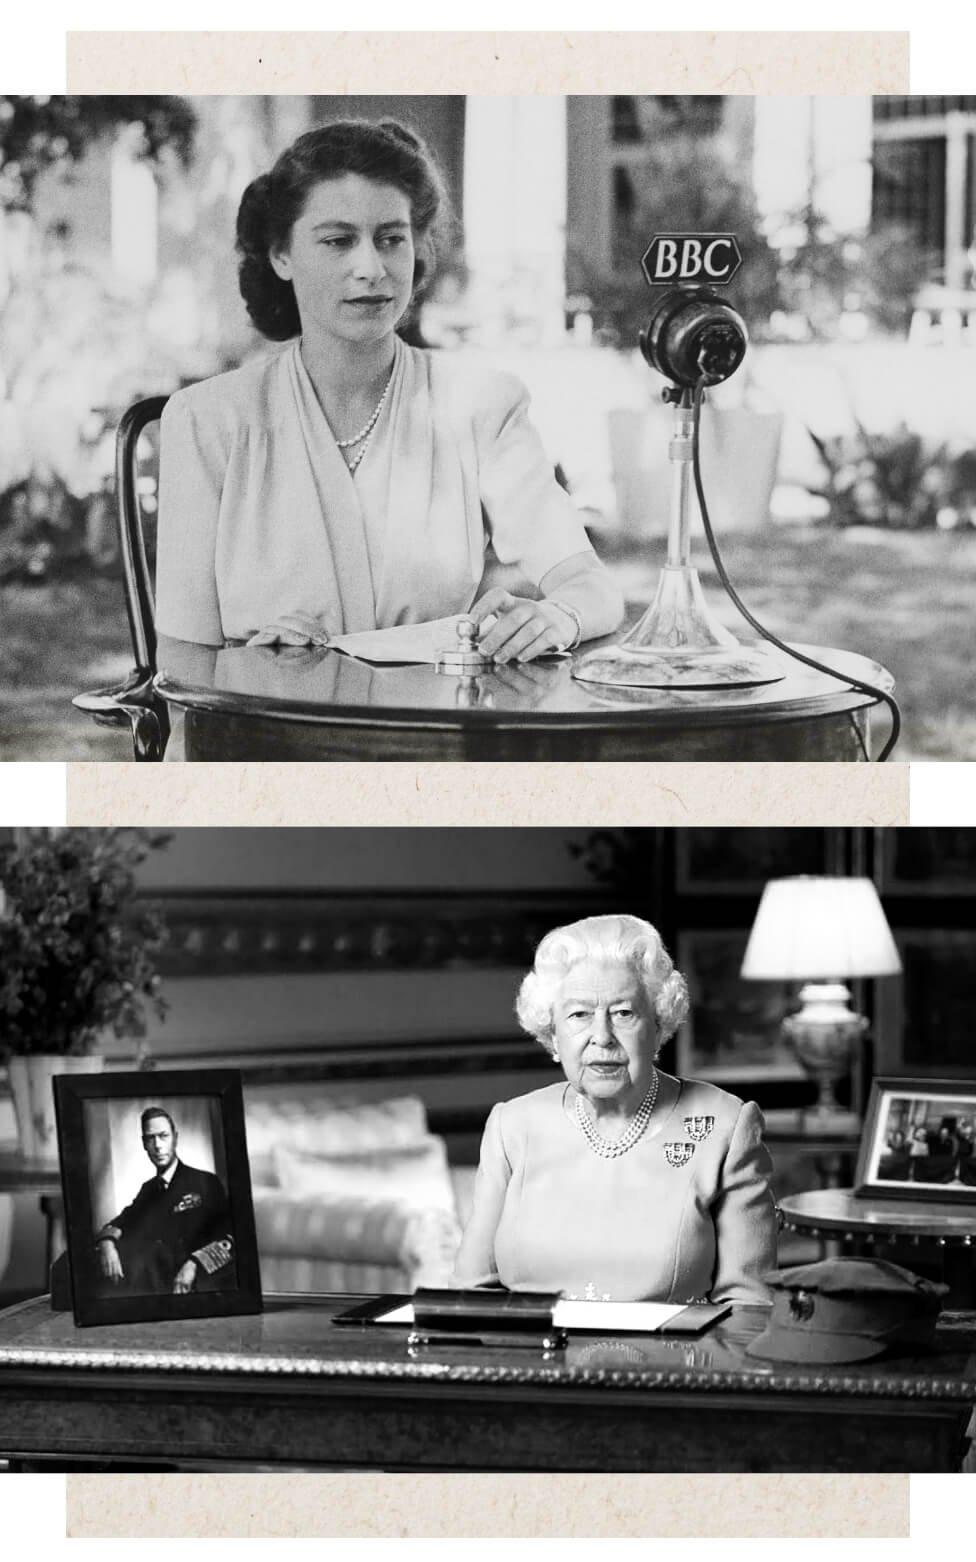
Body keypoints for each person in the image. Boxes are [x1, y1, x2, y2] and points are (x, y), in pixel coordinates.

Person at [155, 117, 624, 663]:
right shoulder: (208, 421)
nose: (371, 268)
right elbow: (183, 663)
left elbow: (591, 587)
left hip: (428, 734)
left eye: (391, 239)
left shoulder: (479, 407)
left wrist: (556, 616)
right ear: (281, 255)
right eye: (338, 241)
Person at [452, 915, 777, 1304]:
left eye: (623, 1013)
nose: (602, 1037)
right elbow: (470, 1298)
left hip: (671, 1363)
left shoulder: (725, 1125)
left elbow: (748, 1311)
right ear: (552, 1034)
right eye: (579, 1015)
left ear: (658, 1026)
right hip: (532, 1362)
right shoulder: (512, 1127)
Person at [94, 1108, 234, 1295]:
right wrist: (107, 1244)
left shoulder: (205, 1181)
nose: (158, 1145)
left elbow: (229, 1238)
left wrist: (194, 1264)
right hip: (155, 1288)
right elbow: (122, 1222)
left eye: (163, 1136)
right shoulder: (148, 1189)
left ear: (175, 1138)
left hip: (199, 1285)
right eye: (150, 1138)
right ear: (144, 1144)